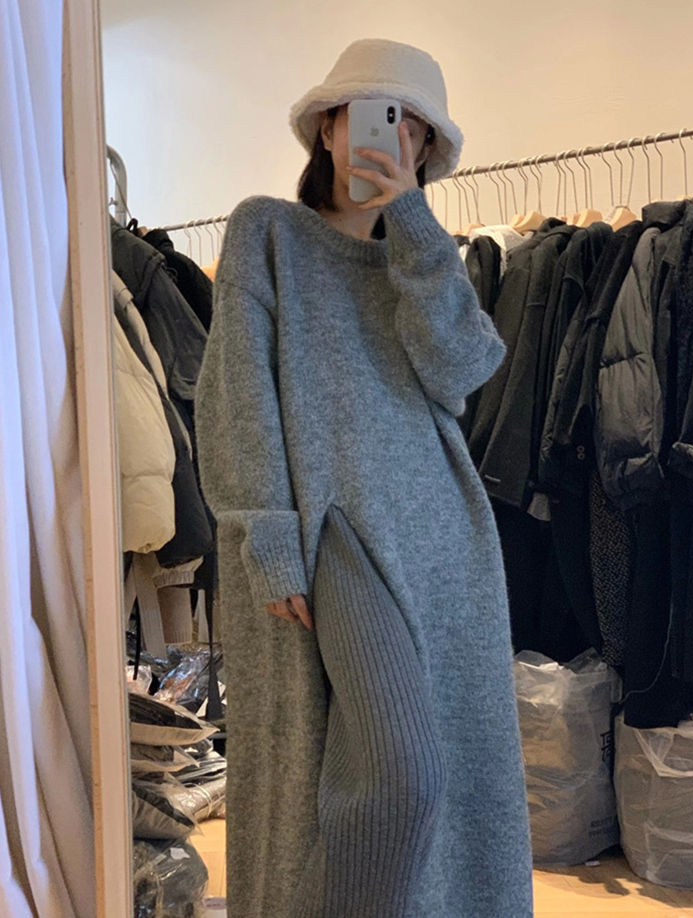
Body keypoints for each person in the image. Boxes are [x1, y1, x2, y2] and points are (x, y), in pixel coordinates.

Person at [195, 37, 533, 918]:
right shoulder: (266, 231)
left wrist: (412, 224)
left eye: (416, 128)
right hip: (333, 522)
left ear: (427, 151)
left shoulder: (421, 259)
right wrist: (268, 531)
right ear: (329, 127)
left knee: (442, 775)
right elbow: (235, 394)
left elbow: (462, 371)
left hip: (439, 532)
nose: (394, 136)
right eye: (378, 114)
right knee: (401, 779)